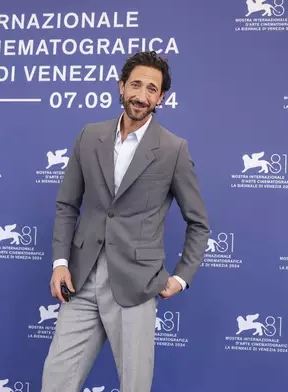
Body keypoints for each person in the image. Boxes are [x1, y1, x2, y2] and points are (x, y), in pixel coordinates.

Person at [41, 51, 210, 392]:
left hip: (136, 285)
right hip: (81, 280)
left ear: (161, 97)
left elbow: (199, 223)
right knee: (56, 381)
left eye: (151, 89)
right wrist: (60, 262)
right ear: (121, 87)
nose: (141, 95)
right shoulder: (90, 136)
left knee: (134, 386)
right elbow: (67, 205)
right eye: (135, 85)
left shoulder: (173, 149)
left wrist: (182, 278)